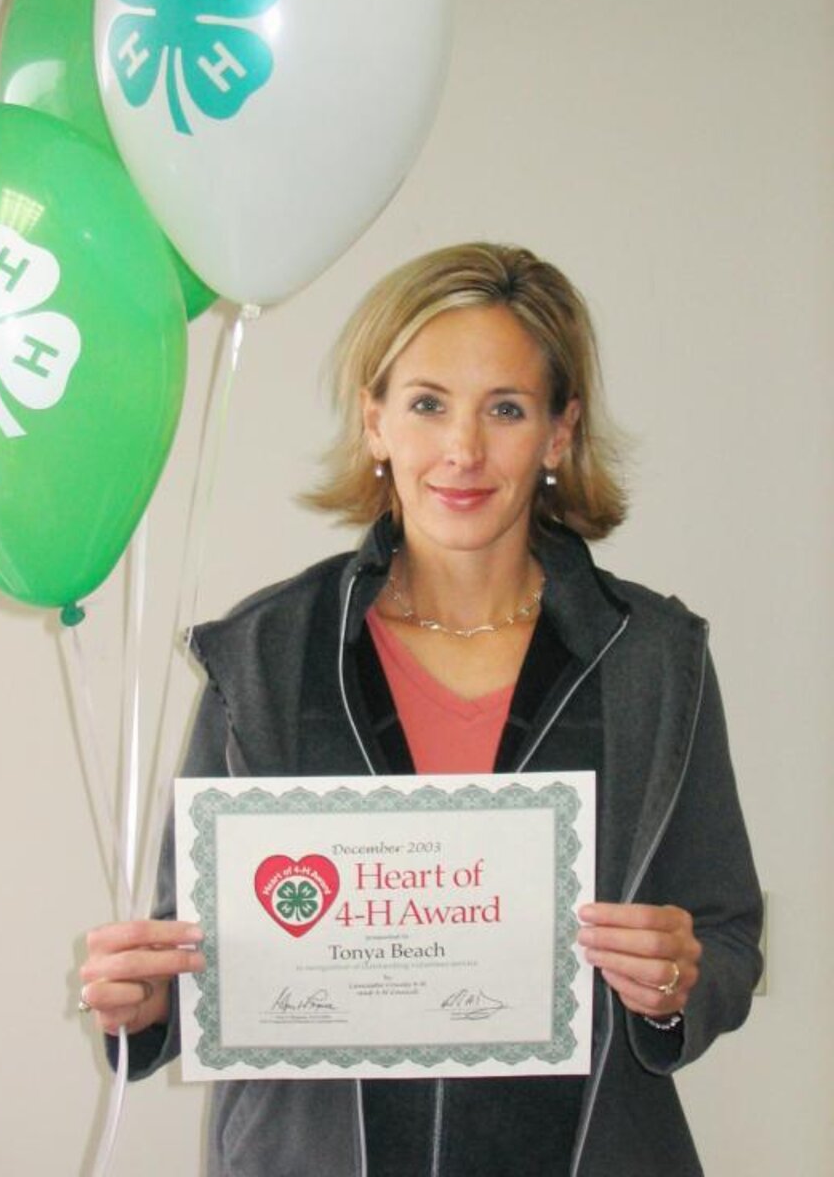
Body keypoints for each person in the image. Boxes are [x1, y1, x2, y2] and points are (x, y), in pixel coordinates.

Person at [80, 243, 762, 1176]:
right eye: (428, 403)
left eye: (507, 410)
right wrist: (143, 1001)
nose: (463, 451)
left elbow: (725, 936)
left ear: (560, 433)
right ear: (375, 422)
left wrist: (680, 983)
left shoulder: (653, 657)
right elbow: (194, 950)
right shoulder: (269, 654)